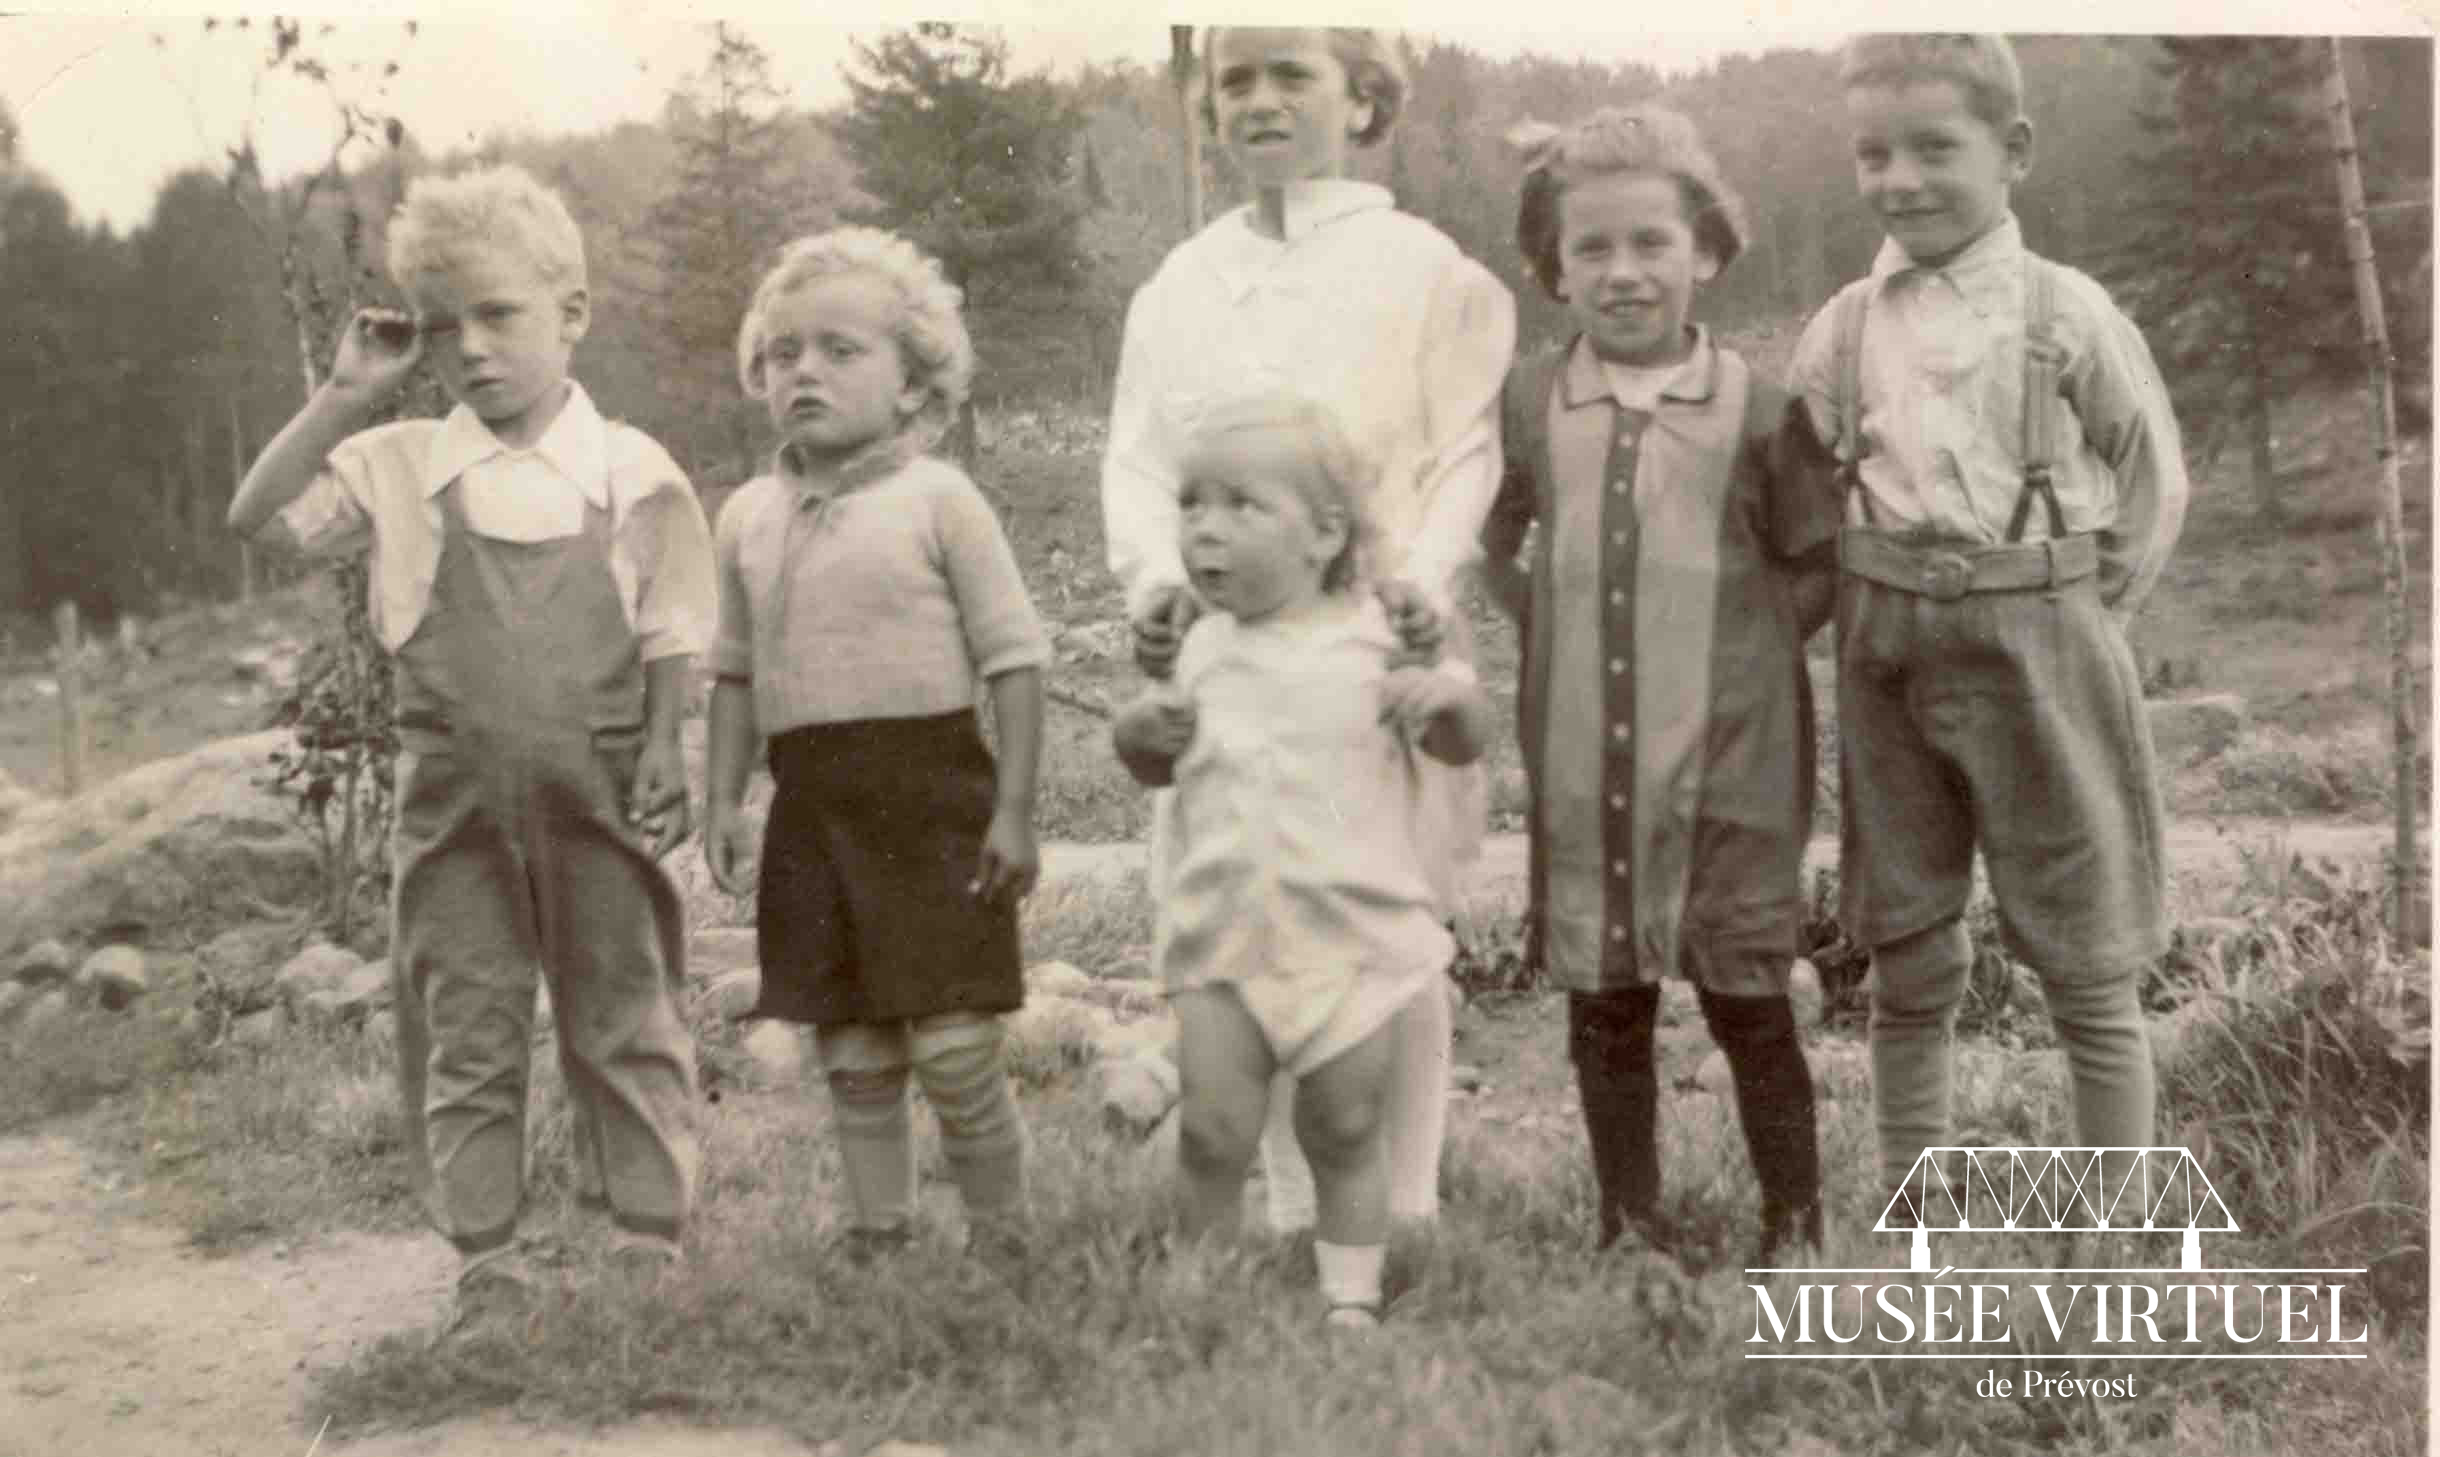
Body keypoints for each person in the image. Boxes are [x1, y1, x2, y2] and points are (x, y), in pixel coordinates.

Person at [225, 165, 714, 1325]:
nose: (472, 351)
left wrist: (663, 742)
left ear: (573, 314)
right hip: (452, 812)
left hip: (595, 796)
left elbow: (673, 620)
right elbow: (257, 521)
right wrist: (346, 397)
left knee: (621, 1004)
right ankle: (485, 1257)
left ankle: (645, 1234)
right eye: (445, 327)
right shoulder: (399, 469)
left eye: (500, 315)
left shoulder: (631, 470)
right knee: (468, 1018)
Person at [1101, 25, 1516, 1235]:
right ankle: (1288, 1201)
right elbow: (1138, 456)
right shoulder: (1182, 281)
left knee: (1386, 913)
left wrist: (1422, 585)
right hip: (1231, 646)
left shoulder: (1420, 265)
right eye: (1236, 80)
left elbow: (1462, 447)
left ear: (1363, 95)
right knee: (1250, 908)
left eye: (1294, 74)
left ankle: (1404, 1198)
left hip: (1376, 635)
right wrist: (1152, 583)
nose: (1262, 101)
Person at [1785, 35, 2189, 1209]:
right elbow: (1806, 481)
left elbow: (2151, 478)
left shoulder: (2066, 311)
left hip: (2041, 642)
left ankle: (2109, 1225)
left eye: (1931, 149)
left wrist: (2079, 609)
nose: (1898, 178)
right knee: (1906, 938)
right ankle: (1917, 1202)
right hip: (1885, 648)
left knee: (2085, 948)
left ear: (2011, 151)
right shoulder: (1845, 324)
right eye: (1872, 153)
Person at [1480, 107, 1835, 1264]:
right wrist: (1554, 628)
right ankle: (1628, 1225)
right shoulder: (1529, 405)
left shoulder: (1763, 407)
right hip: (1587, 765)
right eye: (1592, 249)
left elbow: (1818, 562)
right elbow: (1494, 539)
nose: (1622, 272)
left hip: (1735, 763)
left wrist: (1738, 649)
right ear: (1553, 268)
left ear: (1707, 254)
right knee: (1606, 999)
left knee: (1747, 995)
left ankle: (1797, 1230)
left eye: (1650, 244)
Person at [701, 228, 1046, 1266]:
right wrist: (722, 799)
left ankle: (1002, 1236)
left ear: (914, 385)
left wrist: (1016, 809)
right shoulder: (746, 517)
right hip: (814, 813)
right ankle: (878, 1233)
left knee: (952, 1044)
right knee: (850, 1048)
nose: (804, 369)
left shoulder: (941, 499)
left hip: (933, 802)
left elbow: (1016, 660)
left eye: (840, 349)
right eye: (782, 352)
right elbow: (732, 670)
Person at [1113, 391, 1493, 1329]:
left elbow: (1465, 737)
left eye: (1244, 506)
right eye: (1194, 505)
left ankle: (1349, 1297)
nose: (1209, 529)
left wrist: (1440, 702)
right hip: (1224, 932)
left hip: (1349, 935)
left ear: (1325, 533)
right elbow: (1152, 760)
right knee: (1212, 1127)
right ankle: (1202, 1294)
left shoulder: (1379, 642)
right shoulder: (1196, 645)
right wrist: (1138, 729)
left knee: (1344, 1122)